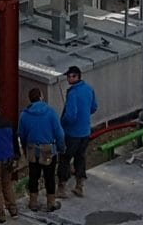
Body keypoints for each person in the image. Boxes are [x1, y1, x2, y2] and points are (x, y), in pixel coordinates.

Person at [16, 86, 64, 211]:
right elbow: (59, 133)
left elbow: (21, 134)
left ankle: (33, 202)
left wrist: (26, 149)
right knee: (49, 177)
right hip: (48, 149)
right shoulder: (50, 112)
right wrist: (61, 147)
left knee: (33, 176)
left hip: (32, 149)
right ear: (41, 97)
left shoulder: (24, 115)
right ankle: (51, 202)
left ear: (30, 99)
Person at [58, 64, 98, 198]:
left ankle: (61, 187)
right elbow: (94, 107)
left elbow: (70, 115)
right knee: (80, 158)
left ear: (76, 76)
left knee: (64, 158)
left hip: (72, 133)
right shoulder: (89, 89)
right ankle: (79, 186)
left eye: (70, 76)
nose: (68, 79)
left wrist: (62, 123)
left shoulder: (73, 93)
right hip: (85, 131)